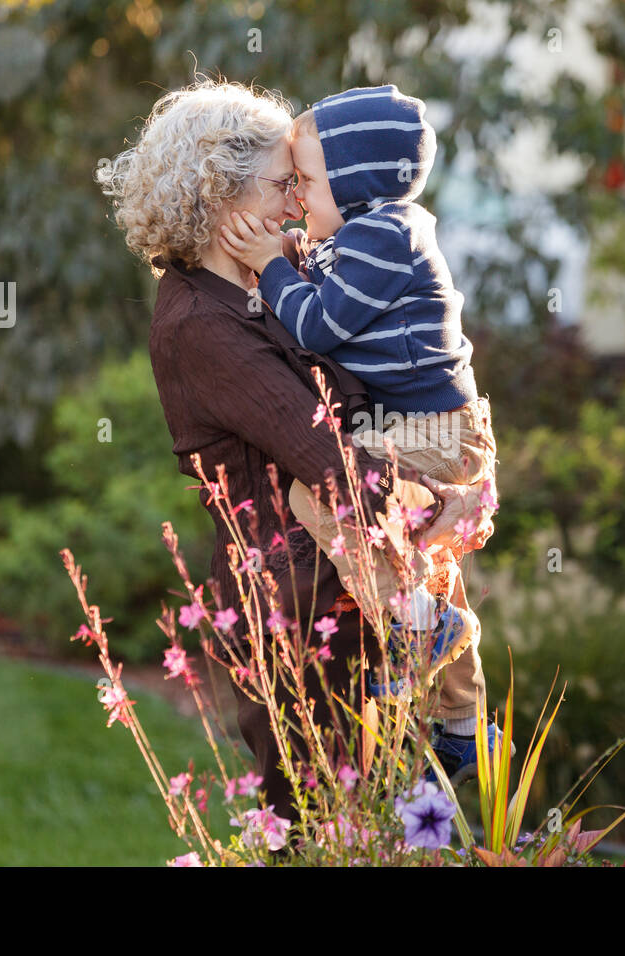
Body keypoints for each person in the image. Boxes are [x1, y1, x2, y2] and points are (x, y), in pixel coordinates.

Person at [96, 77, 496, 819]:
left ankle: (455, 702)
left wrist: (466, 463)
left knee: (379, 828)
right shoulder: (200, 325)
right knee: (317, 829)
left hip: (359, 595)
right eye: (285, 183)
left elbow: (406, 372)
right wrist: (454, 499)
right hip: (297, 613)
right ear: (222, 197)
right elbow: (329, 461)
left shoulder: (269, 285)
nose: (296, 203)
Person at [220, 86, 504, 773]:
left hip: (434, 430)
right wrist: (286, 246)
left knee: (322, 493)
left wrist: (263, 265)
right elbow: (320, 266)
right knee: (429, 556)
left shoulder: (384, 238)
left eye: (307, 183)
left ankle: (418, 628)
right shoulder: (368, 231)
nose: (297, 198)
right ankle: (464, 726)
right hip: (430, 426)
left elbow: (319, 321)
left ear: (356, 185)